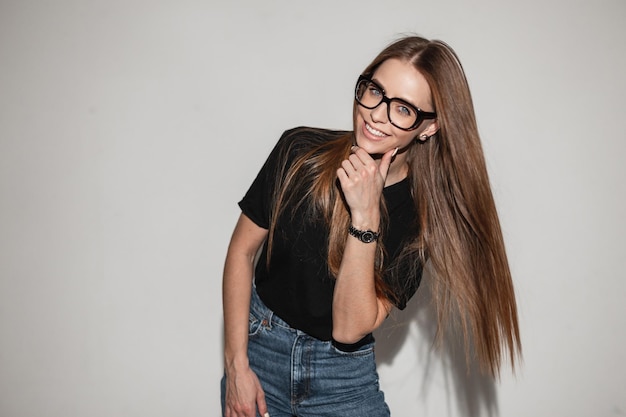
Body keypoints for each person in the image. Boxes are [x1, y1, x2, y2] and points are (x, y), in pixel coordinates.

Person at [221, 35, 521, 417]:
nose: (377, 113)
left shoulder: (425, 220)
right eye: (375, 91)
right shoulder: (298, 152)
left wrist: (366, 217)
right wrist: (236, 366)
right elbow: (242, 251)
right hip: (261, 355)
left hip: (341, 379)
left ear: (429, 127)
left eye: (403, 109)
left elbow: (348, 330)